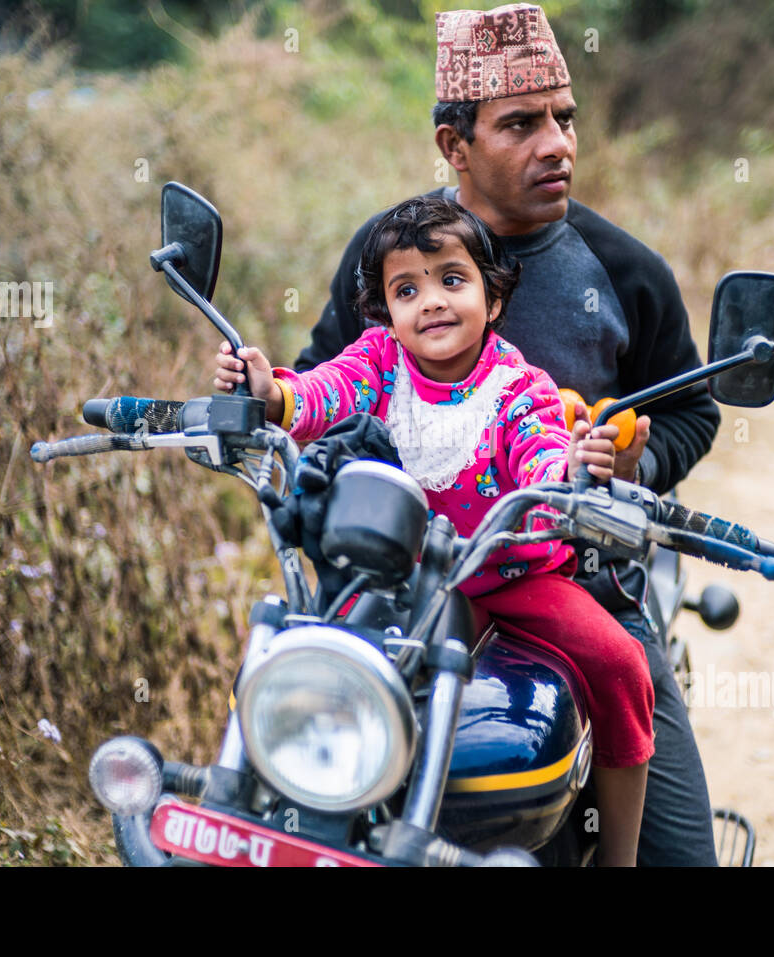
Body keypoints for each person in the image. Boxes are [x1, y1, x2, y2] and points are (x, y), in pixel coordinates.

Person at [218, 3, 722, 866]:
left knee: (677, 837)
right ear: (455, 146)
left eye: (565, 119)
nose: (557, 144)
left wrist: (627, 459)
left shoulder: (627, 272)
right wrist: (266, 397)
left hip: (577, 576)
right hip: (405, 581)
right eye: (522, 124)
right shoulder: (391, 253)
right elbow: (325, 382)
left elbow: (693, 411)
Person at [215, 195, 655, 865]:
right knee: (297, 656)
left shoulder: (519, 388)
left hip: (512, 576)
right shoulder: (377, 363)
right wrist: (266, 393)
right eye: (407, 289)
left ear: (493, 296)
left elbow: (542, 453)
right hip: (406, 580)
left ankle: (619, 853)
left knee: (620, 660)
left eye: (452, 279)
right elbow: (317, 394)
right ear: (386, 310)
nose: (432, 302)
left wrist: (568, 469)